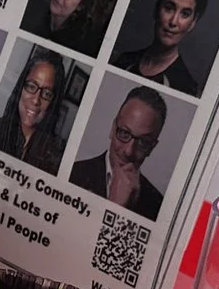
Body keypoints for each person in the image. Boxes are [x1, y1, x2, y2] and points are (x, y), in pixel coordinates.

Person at [69, 87, 169, 218]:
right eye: (124, 133)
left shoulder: (158, 206)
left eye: (143, 142)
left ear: (152, 147)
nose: (129, 151)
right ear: (112, 129)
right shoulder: (72, 173)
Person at [115, 0, 211, 96]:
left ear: (192, 22)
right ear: (157, 8)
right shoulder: (125, 61)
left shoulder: (185, 87)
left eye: (185, 14)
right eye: (169, 8)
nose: (173, 21)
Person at [0, 49, 69, 171]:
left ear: (53, 102)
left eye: (47, 93)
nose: (36, 100)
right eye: (31, 86)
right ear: (20, 88)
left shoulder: (57, 153)